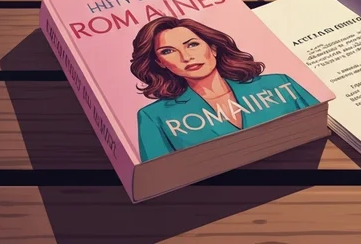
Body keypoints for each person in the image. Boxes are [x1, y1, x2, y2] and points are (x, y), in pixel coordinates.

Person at [131, 16, 319, 162]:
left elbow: (319, 124)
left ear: (213, 48)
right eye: (168, 51)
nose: (186, 57)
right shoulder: (153, 117)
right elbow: (160, 176)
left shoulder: (278, 83)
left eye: (192, 45)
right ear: (160, 63)